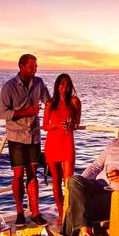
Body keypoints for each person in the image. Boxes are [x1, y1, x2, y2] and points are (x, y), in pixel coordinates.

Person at [0, 53, 51, 227]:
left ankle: (35, 213)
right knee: (18, 175)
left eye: (36, 66)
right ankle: (20, 213)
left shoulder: (39, 83)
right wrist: (25, 112)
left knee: (33, 174)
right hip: (16, 136)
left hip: (34, 135)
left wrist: (68, 105)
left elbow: (49, 102)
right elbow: (1, 113)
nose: (35, 69)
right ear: (21, 66)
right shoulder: (9, 87)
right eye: (31, 66)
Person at [42, 73, 82, 225]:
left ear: (70, 85)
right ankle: (61, 213)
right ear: (57, 85)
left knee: (68, 183)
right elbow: (45, 126)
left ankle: (68, 211)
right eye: (61, 83)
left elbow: (77, 122)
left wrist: (72, 125)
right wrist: (57, 125)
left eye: (66, 84)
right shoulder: (50, 103)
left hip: (67, 144)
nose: (64, 87)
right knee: (56, 182)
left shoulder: (74, 101)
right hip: (52, 144)